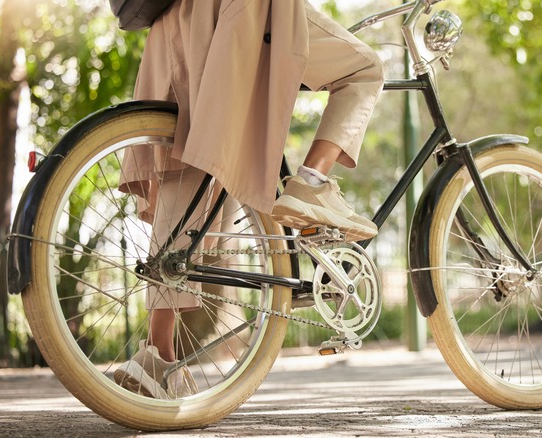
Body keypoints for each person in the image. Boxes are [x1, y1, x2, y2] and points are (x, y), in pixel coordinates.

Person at [114, 0, 384, 398]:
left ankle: (156, 358)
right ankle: (310, 181)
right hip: (239, 10)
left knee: (185, 168)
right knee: (365, 69)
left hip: (174, 20)